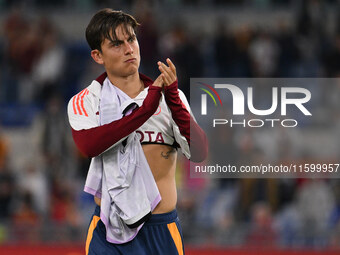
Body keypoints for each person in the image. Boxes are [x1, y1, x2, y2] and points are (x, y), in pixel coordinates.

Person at [67, 8, 208, 255]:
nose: (129, 49)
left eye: (131, 39)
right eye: (116, 44)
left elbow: (200, 152)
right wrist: (144, 110)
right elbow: (89, 145)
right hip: (107, 232)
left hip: (160, 232)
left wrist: (172, 97)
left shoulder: (169, 97)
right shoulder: (86, 100)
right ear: (97, 56)